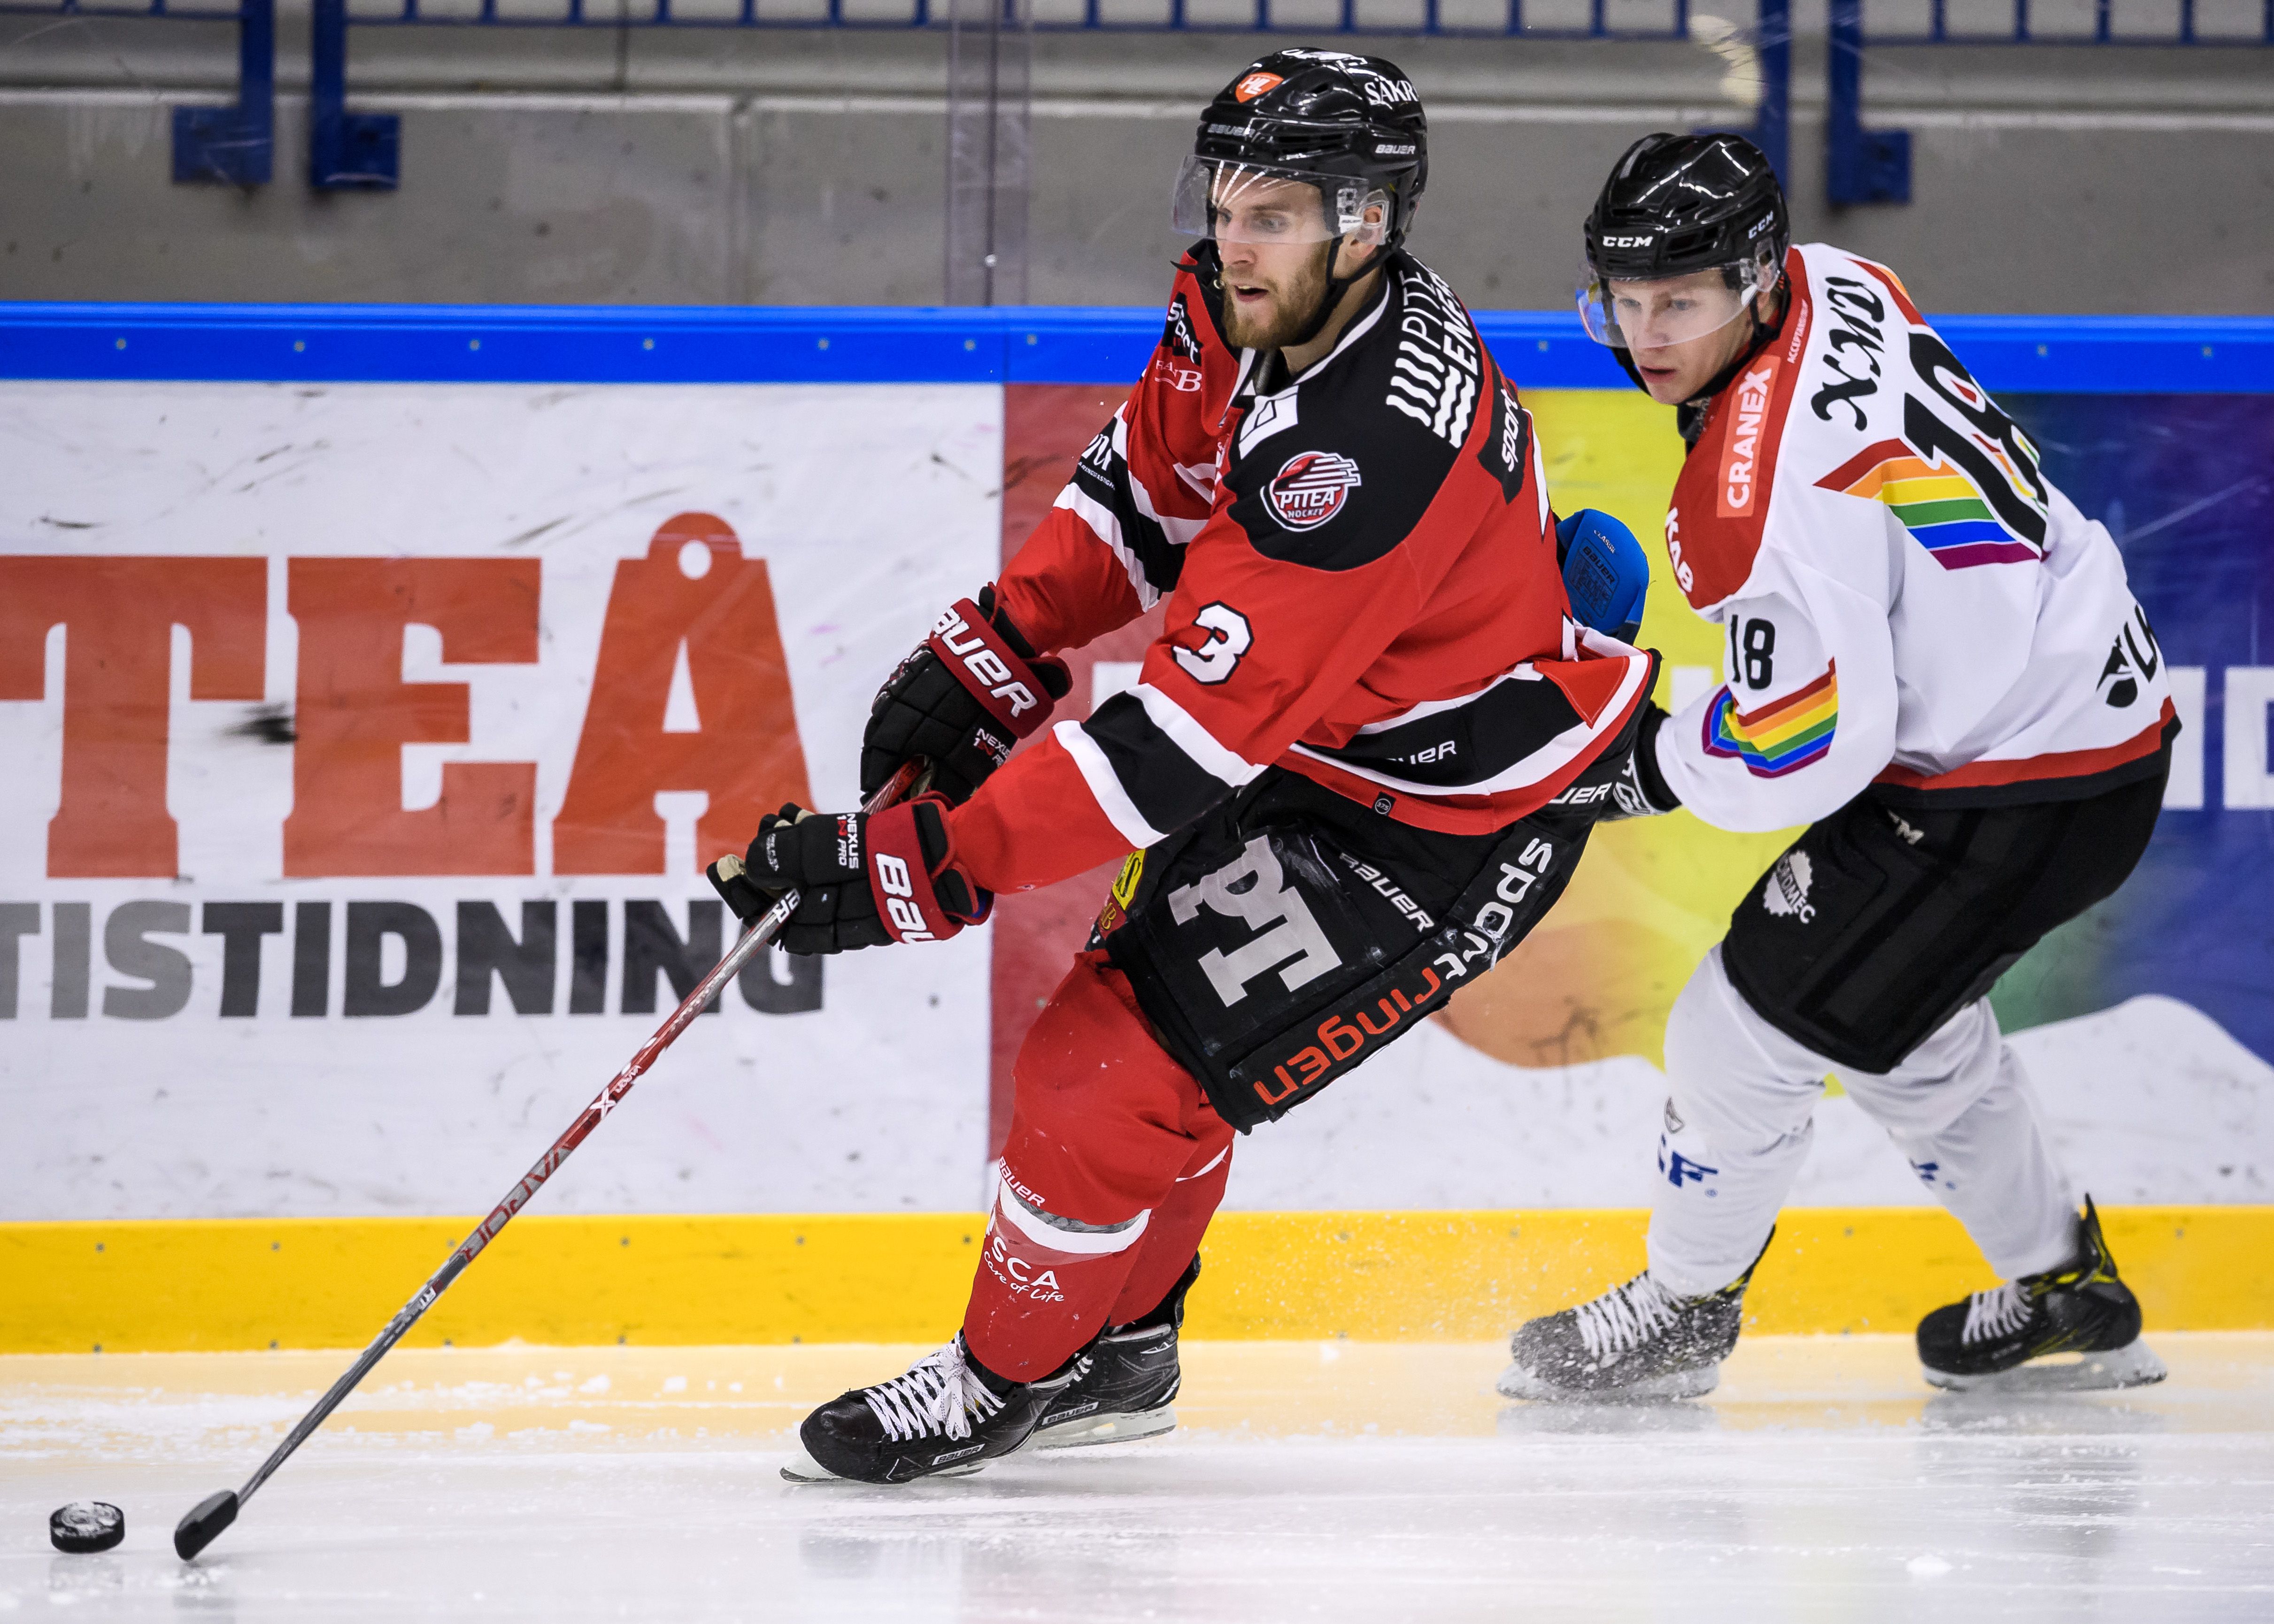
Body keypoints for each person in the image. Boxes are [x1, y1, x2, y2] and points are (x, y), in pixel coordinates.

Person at [706, 49, 1659, 1484]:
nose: (1231, 234)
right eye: (1225, 196)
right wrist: (998, 648)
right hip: (1328, 754)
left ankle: (1000, 1378)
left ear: (1368, 220)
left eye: (1272, 209)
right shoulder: (1253, 304)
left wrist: (930, 869)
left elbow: (1174, 746)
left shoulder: (1366, 450)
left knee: (1106, 1068)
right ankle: (1123, 1345)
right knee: (1144, 1047)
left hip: (1438, 827)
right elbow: (1148, 481)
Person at [1500, 134, 2177, 1402]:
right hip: (2086, 718)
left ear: (1752, 279)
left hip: (2005, 785)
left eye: (1679, 302)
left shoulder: (1755, 498)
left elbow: (1803, 740)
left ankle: (1682, 1314)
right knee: (1894, 1023)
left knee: (1734, 1031)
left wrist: (1630, 755)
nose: (1644, 335)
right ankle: (2061, 1289)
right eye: (1624, 300)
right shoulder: (1836, 276)